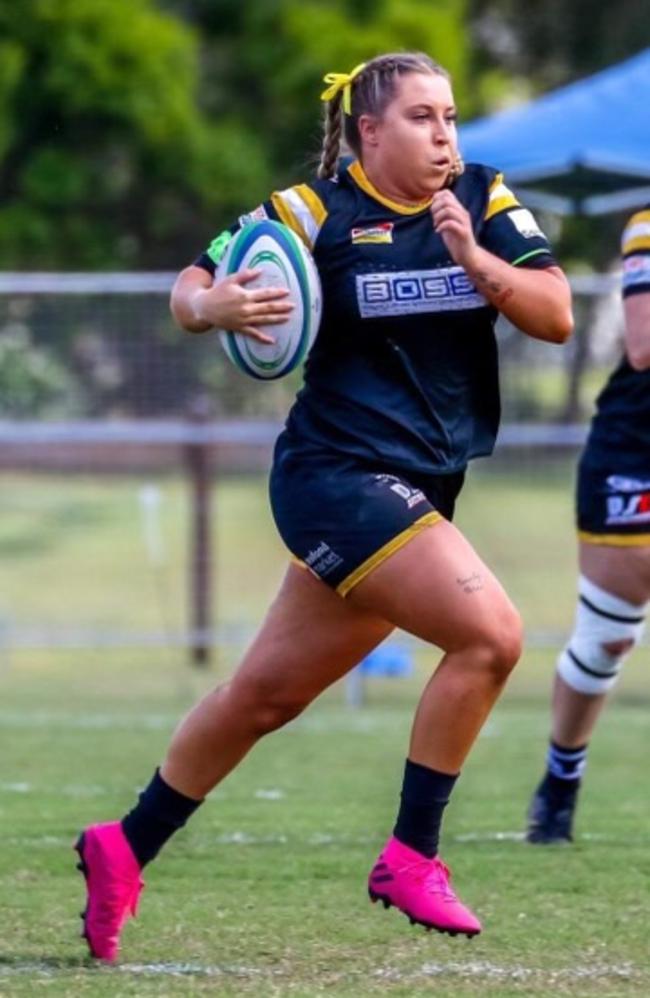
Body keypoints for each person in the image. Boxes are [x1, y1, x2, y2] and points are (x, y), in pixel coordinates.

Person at [74, 52, 572, 961]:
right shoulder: (313, 212)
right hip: (335, 478)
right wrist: (213, 305)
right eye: (422, 119)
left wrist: (471, 255)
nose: (445, 137)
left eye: (452, 118)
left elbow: (556, 314)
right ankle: (412, 855)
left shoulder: (488, 203)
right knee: (492, 636)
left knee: (263, 697)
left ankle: (123, 845)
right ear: (369, 132)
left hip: (419, 493)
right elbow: (189, 287)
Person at [526, 205, 650, 844]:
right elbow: (644, 343)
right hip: (635, 450)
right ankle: (560, 779)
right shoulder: (647, 225)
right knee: (607, 639)